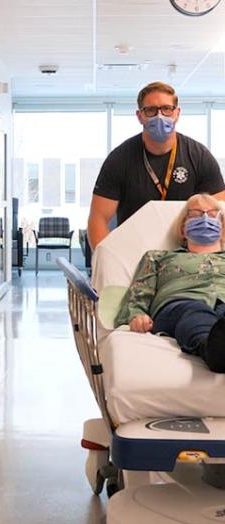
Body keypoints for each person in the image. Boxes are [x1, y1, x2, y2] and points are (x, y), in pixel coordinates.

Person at [88, 81, 225, 250]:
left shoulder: (199, 156)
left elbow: (220, 213)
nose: (160, 116)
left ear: (177, 113)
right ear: (140, 116)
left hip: (186, 256)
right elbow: (98, 219)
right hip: (134, 254)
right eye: (151, 110)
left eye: (167, 109)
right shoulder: (119, 159)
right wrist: (106, 260)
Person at [115, 193, 225, 373]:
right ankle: (214, 351)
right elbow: (138, 295)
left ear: (222, 226)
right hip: (181, 304)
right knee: (195, 312)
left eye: (213, 214)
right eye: (196, 214)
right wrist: (136, 316)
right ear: (183, 228)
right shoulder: (158, 257)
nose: (205, 218)